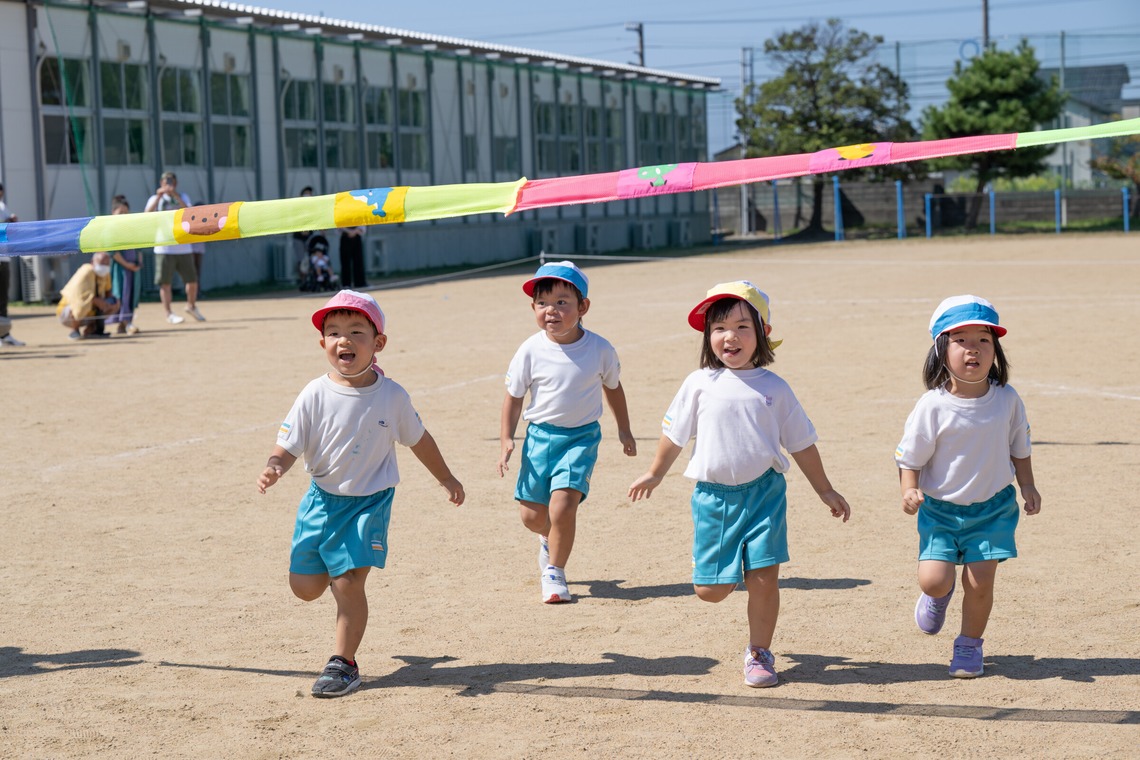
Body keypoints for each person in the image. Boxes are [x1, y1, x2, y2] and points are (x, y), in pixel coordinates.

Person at [628, 281, 850, 689]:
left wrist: (825, 490)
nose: (730, 336)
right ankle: (720, 570)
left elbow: (801, 444)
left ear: (762, 334)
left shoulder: (775, 388)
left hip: (765, 494)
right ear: (708, 336)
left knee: (765, 579)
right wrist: (655, 473)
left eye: (743, 327)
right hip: (713, 499)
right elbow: (675, 435)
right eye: (719, 327)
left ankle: (759, 652)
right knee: (710, 591)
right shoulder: (698, 383)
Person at [256, 289, 464, 698]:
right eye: (333, 332)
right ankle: (332, 598)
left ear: (378, 343)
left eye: (355, 331)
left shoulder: (392, 396)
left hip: (369, 503)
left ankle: (343, 664)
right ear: (323, 344)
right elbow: (289, 444)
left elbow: (419, 441)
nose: (343, 340)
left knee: (348, 582)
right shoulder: (313, 393)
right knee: (305, 588)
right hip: (321, 501)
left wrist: (447, 478)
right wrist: (275, 465)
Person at [895, 295, 1041, 679]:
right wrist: (909, 489)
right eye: (961, 340)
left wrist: (1027, 485)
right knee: (934, 579)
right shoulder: (932, 406)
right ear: (941, 351)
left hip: (992, 509)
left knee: (979, 582)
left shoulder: (1007, 400)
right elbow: (909, 457)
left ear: (996, 351)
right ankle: (937, 597)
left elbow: (1019, 448)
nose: (973, 349)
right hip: (940, 511)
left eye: (984, 340)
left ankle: (968, 645)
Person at [497, 261, 636, 604]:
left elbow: (614, 389)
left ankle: (554, 572)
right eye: (543, 303)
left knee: (562, 507)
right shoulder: (530, 349)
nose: (552, 311)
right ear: (533, 308)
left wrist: (625, 431)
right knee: (533, 517)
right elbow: (514, 397)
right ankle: (548, 538)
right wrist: (507, 438)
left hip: (581, 439)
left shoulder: (600, 349)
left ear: (583, 307)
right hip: (540, 437)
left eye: (562, 302)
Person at [143, 171, 205, 324]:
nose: (168, 184)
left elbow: (190, 213)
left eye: (171, 182)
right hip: (164, 247)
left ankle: (191, 305)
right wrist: (159, 196)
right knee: (165, 282)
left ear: (176, 183)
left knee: (192, 279)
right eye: (165, 182)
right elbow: (146, 214)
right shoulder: (155, 199)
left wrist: (175, 195)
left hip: (183, 246)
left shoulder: (183, 197)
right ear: (160, 183)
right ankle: (168, 313)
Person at [56, 252, 118, 340]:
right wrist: (95, 300)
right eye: (102, 263)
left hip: (89, 312)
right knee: (80, 303)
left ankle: (92, 330)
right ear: (93, 262)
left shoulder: (105, 274)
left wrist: (109, 303)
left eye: (107, 263)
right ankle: (74, 330)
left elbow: (108, 292)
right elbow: (79, 295)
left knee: (114, 302)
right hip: (67, 312)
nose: (104, 266)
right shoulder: (86, 270)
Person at [105, 195, 142, 335]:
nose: (124, 216)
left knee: (132, 294)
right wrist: (126, 264)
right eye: (120, 213)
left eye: (126, 212)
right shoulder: (111, 229)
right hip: (120, 268)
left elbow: (139, 247)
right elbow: (113, 251)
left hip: (133, 268)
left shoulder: (132, 228)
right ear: (113, 213)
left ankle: (124, 323)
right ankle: (127, 323)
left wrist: (138, 263)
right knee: (121, 294)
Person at [0, 182, 25, 347]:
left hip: (4, 257)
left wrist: (12, 221)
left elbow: (12, 228)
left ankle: (4, 334)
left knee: (3, 298)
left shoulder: (3, 206)